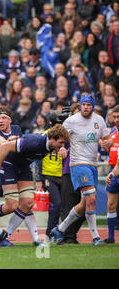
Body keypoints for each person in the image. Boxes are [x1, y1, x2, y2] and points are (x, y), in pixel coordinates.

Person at [0, 124, 70, 247]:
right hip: (9, 165)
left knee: (27, 204)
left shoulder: (51, 144)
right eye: (61, 143)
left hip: (23, 167)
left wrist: (62, 148)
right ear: (53, 139)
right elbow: (4, 147)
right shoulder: (35, 142)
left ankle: (3, 238)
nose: (62, 146)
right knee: (11, 205)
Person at [50, 94, 111, 246]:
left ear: (93, 106)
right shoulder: (71, 121)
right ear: (80, 105)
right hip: (77, 164)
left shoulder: (99, 120)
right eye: (83, 104)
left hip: (92, 164)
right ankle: (96, 237)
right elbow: (58, 137)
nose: (85, 107)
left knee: (84, 203)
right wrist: (62, 148)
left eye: (88, 105)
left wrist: (106, 143)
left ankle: (59, 229)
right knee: (91, 199)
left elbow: (107, 138)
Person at [103, 105, 119, 243]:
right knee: (110, 205)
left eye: (118, 117)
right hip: (113, 169)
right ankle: (111, 237)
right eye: (114, 117)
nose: (116, 119)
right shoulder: (113, 131)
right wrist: (106, 146)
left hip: (116, 170)